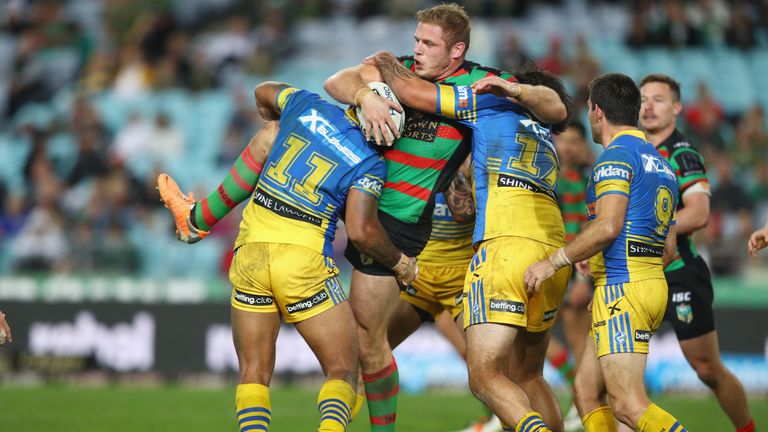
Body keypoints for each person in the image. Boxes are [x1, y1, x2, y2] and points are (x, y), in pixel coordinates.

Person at [158, 81, 417, 432]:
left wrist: (277, 119)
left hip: (250, 250)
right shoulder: (370, 164)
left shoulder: (307, 106)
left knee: (254, 373)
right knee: (343, 367)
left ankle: (197, 220)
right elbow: (361, 231)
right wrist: (400, 262)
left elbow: (263, 90)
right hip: (303, 259)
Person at [322, 5, 515, 430]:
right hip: (356, 202)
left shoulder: (480, 82)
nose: (418, 50)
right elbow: (335, 81)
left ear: (457, 50)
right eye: (416, 40)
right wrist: (366, 96)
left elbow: (543, 106)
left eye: (429, 44)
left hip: (398, 222)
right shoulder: (398, 68)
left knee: (368, 343)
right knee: (362, 345)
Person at [366, 49, 571, 431]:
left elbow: (416, 92)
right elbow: (558, 106)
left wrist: (387, 65)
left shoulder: (490, 109)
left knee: (484, 376)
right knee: (528, 374)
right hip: (549, 249)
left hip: (494, 252)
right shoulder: (544, 134)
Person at [524, 73, 685, 432]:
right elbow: (669, 248)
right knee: (585, 392)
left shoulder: (614, 158)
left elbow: (608, 226)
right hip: (648, 282)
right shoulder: (662, 165)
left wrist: (554, 261)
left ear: (597, 111)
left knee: (628, 405)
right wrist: (601, 258)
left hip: (623, 290)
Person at [639, 73, 755, 432]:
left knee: (707, 369)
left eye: (658, 99)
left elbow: (700, 212)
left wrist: (660, 230)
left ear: (676, 107)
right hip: (635, 274)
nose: (648, 106)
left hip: (679, 274)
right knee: (608, 365)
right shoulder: (628, 149)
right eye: (643, 98)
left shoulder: (682, 154)